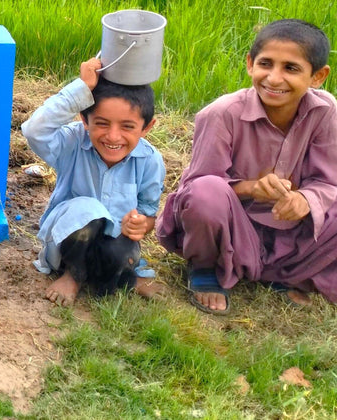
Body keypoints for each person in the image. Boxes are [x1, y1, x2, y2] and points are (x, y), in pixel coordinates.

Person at [157, 19, 337, 315]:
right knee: (205, 193)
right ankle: (206, 267)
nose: (274, 79)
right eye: (266, 64)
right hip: (231, 227)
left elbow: (327, 182)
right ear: (250, 64)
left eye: (290, 68)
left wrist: (305, 199)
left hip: (288, 230)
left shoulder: (325, 111)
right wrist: (253, 187)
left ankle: (278, 272)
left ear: (318, 76)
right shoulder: (223, 113)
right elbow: (197, 187)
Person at [21, 57, 165, 306]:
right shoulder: (72, 144)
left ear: (146, 127)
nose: (113, 136)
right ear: (84, 120)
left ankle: (126, 279)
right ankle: (73, 275)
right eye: (101, 123)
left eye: (127, 126)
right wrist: (81, 88)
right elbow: (35, 130)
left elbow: (148, 211)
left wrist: (143, 224)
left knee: (121, 250)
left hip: (113, 244)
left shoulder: (150, 161)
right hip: (72, 238)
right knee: (89, 211)